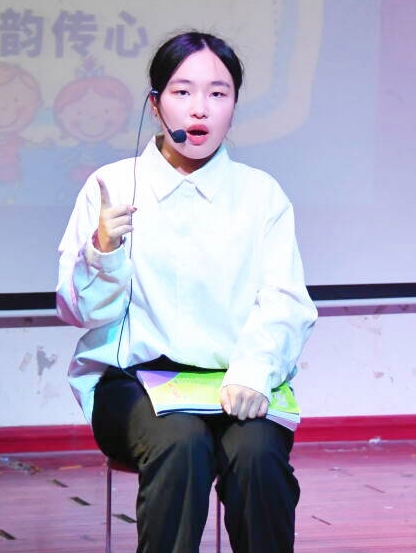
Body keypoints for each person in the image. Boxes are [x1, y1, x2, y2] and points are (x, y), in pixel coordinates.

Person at [56, 31, 317, 553]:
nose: (200, 109)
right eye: (182, 92)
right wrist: (103, 249)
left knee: (257, 456)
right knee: (181, 443)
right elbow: (80, 311)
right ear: (155, 105)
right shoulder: (113, 186)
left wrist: (252, 374)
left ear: (234, 106)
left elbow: (284, 301)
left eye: (218, 93)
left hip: (236, 382)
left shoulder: (260, 194)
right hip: (135, 383)